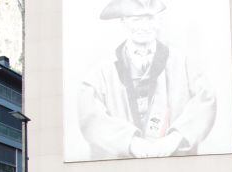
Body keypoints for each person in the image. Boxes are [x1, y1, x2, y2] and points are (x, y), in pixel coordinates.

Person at [78, 0, 216, 160]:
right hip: (122, 171)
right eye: (136, 20)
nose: (144, 27)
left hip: (174, 165)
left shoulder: (182, 63)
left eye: (149, 19)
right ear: (123, 22)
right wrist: (130, 142)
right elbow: (90, 118)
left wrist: (176, 138)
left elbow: (206, 101)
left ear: (158, 21)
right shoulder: (101, 73)